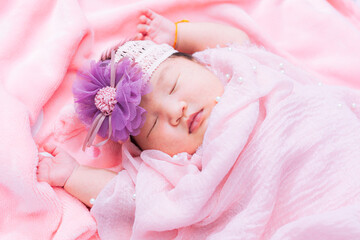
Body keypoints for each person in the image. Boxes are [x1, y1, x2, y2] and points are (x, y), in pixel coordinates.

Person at [37, 9, 249, 207]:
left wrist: (178, 33)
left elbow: (239, 41)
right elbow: (128, 196)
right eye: (154, 123)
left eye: (174, 85)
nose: (176, 111)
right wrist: (73, 175)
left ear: (198, 62)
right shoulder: (178, 171)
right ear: (147, 151)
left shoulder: (236, 76)